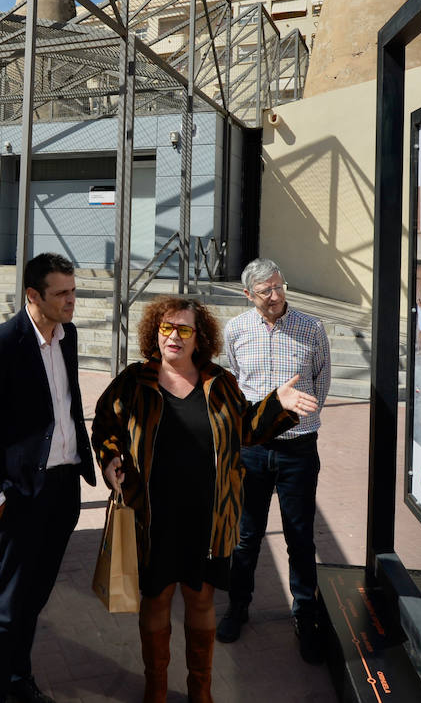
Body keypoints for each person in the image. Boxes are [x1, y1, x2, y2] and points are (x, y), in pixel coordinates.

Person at [93, 296, 318, 703]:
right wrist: (110, 461)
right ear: (155, 332)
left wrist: (276, 404)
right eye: (166, 328)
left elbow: (245, 429)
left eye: (183, 329)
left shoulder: (220, 382)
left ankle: (201, 691)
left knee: (201, 598)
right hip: (154, 515)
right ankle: (156, 689)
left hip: (209, 516)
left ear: (200, 338)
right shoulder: (135, 381)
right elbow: (106, 424)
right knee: (157, 598)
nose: (173, 337)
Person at [0, 253, 96, 703]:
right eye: (61, 293)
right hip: (17, 495)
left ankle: (17, 682)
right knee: (6, 604)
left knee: (33, 598)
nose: (70, 301)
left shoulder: (68, 336)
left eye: (73, 291)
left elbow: (68, 405)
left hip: (61, 488)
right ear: (32, 295)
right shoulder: (2, 343)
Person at [217, 258, 331, 662]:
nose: (276, 296)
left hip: (298, 450)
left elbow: (322, 382)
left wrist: (297, 417)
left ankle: (305, 613)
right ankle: (238, 605)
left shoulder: (312, 328)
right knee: (246, 536)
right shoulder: (236, 330)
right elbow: (237, 382)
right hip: (251, 451)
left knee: (299, 537)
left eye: (279, 286)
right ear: (249, 294)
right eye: (266, 290)